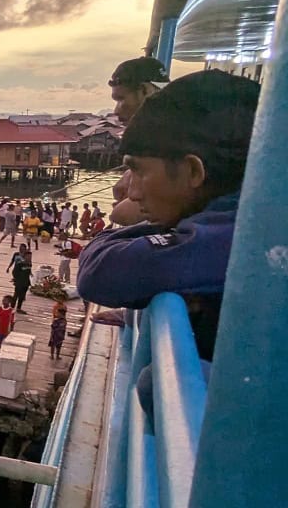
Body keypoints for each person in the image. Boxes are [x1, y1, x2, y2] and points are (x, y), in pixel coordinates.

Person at [77, 71, 259, 361]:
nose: (131, 192)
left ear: (193, 171)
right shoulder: (240, 215)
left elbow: (99, 271)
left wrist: (119, 233)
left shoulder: (240, 238)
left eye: (138, 171)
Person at [107, 56, 171, 226]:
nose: (116, 110)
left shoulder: (167, 138)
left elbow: (122, 215)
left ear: (145, 91)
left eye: (121, 99)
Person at [0, 295, 16, 361]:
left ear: (9, 302)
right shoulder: (0, 308)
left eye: (5, 300)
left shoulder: (11, 311)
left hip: (7, 330)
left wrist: (11, 331)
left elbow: (12, 322)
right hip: (0, 329)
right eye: (3, 300)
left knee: (5, 344)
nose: (3, 302)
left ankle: (4, 357)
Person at [11, 249, 34, 313]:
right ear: (24, 256)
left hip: (26, 282)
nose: (30, 258)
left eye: (31, 257)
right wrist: (17, 279)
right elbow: (14, 272)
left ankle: (19, 308)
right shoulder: (20, 264)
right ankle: (11, 307)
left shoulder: (29, 264)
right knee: (16, 295)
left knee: (22, 296)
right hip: (19, 282)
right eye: (28, 256)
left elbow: (28, 271)